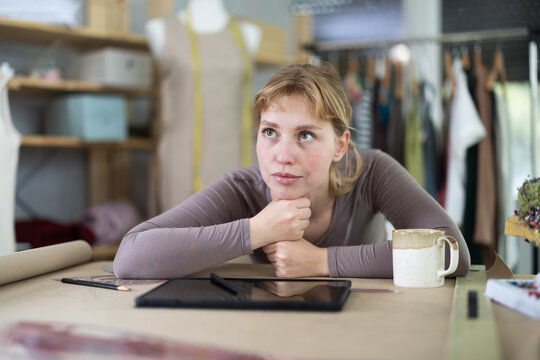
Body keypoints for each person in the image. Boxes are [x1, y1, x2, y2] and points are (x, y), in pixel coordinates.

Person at [113, 63, 471, 279]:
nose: (282, 156)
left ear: (341, 146)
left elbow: (452, 252)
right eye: (270, 132)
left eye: (305, 135)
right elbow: (130, 257)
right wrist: (255, 231)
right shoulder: (243, 188)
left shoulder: (372, 171)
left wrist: (321, 261)